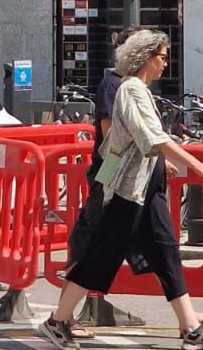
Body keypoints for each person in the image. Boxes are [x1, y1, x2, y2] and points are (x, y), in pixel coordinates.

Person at [41, 28, 203, 349]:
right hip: (127, 192)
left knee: (167, 251)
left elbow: (146, 142)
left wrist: (163, 164)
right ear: (145, 57)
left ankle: (190, 328)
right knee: (100, 258)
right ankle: (57, 321)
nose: (165, 64)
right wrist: (195, 165)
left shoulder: (138, 90)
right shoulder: (130, 90)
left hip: (143, 190)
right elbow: (153, 138)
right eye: (162, 57)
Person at [66, 31, 126, 267]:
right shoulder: (111, 85)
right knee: (95, 213)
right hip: (110, 160)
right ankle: (77, 264)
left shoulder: (131, 84)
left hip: (122, 162)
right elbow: (110, 133)